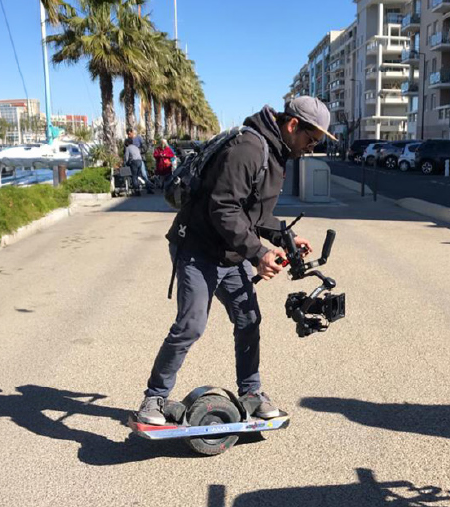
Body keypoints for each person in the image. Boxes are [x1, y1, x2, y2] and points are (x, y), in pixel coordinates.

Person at [136, 96, 336, 425]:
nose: (311, 148)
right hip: (198, 248)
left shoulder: (275, 153)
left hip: (229, 252)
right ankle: (154, 399)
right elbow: (224, 208)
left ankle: (251, 393)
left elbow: (252, 212)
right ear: (292, 125)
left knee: (248, 319)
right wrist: (258, 254)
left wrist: (283, 235)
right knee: (191, 325)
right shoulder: (250, 149)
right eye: (310, 140)